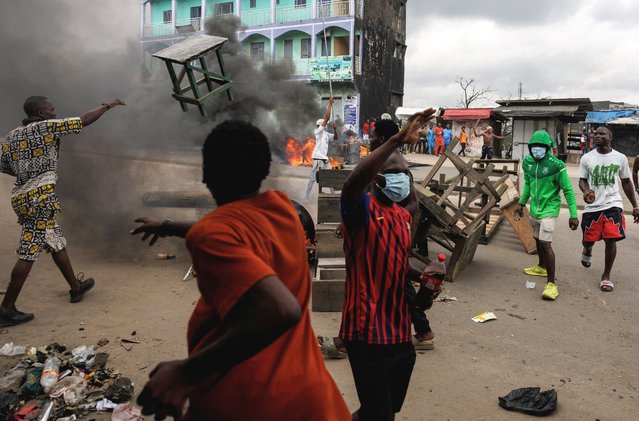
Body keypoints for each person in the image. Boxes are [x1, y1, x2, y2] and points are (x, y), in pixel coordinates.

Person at [133, 120, 350, 420]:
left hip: (248, 401)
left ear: (206, 174)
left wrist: (185, 372)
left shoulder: (213, 234)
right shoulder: (283, 210)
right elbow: (232, 229)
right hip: (309, 396)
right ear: (264, 171)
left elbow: (279, 309)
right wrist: (169, 227)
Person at [339, 108, 435, 420]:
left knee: (383, 409)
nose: (402, 177)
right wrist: (395, 140)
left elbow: (396, 264)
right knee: (382, 415)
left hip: (398, 335)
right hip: (366, 334)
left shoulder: (402, 217)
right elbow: (353, 181)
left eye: (405, 174)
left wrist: (425, 279)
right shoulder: (360, 212)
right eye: (394, 171)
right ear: (377, 177)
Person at [0, 96, 124, 326]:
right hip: (40, 198)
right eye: (51, 108)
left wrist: (27, 172)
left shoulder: (12, 136)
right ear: (40, 112)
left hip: (22, 196)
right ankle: (6, 309)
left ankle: (75, 288)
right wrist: (108, 106)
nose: (55, 111)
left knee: (55, 240)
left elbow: (3, 164)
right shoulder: (46, 127)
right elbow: (83, 121)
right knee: (28, 251)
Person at [515, 131, 579, 301]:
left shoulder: (557, 165)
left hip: (550, 209)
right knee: (537, 239)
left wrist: (573, 214)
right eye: (534, 147)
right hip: (535, 209)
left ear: (547, 148)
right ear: (529, 148)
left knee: (545, 243)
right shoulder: (528, 163)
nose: (537, 150)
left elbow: (568, 190)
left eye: (541, 147)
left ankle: (551, 284)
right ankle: (541, 266)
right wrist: (521, 204)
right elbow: (528, 185)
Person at [578, 126, 639, 292]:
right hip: (593, 206)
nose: (597, 136)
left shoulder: (620, 158)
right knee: (588, 239)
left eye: (602, 133)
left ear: (610, 137)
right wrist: (586, 190)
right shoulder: (587, 158)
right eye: (595, 133)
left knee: (611, 238)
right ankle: (587, 248)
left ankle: (606, 276)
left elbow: (626, 182)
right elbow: (582, 180)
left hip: (613, 203)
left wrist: (635, 206)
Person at [304, 97, 335, 202]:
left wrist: (335, 129)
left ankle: (333, 195)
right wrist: (329, 104)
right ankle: (306, 197)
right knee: (313, 179)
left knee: (329, 176)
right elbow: (326, 118)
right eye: (324, 125)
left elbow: (335, 137)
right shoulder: (318, 132)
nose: (325, 126)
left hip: (325, 159)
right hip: (317, 158)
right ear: (321, 125)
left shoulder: (326, 134)